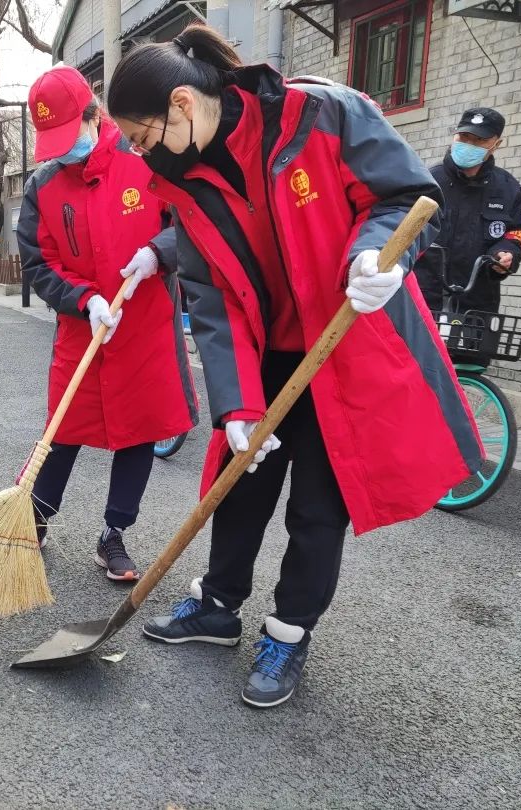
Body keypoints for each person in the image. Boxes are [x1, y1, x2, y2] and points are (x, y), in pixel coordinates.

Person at [107, 24, 482, 707]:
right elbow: (211, 302)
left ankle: (289, 631)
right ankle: (218, 607)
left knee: (318, 504)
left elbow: (406, 197)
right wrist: (237, 406)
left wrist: (376, 256)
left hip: (345, 341)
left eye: (142, 133)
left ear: (184, 104)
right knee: (237, 478)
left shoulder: (320, 113)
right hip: (265, 353)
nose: (140, 152)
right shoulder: (183, 186)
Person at [17, 65, 198, 582]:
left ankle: (114, 535)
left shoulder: (148, 160)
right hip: (83, 328)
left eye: (69, 136)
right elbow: (37, 263)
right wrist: (84, 299)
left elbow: (189, 223)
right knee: (62, 430)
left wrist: (158, 253)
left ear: (95, 117)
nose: (62, 152)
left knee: (139, 431)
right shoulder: (43, 185)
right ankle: (33, 519)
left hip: (143, 326)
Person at [415, 107, 521, 313]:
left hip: (478, 304)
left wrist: (505, 254)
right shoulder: (427, 182)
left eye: (479, 140)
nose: (469, 144)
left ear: (495, 145)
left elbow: (517, 231)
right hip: (424, 298)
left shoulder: (507, 188)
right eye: (464, 137)